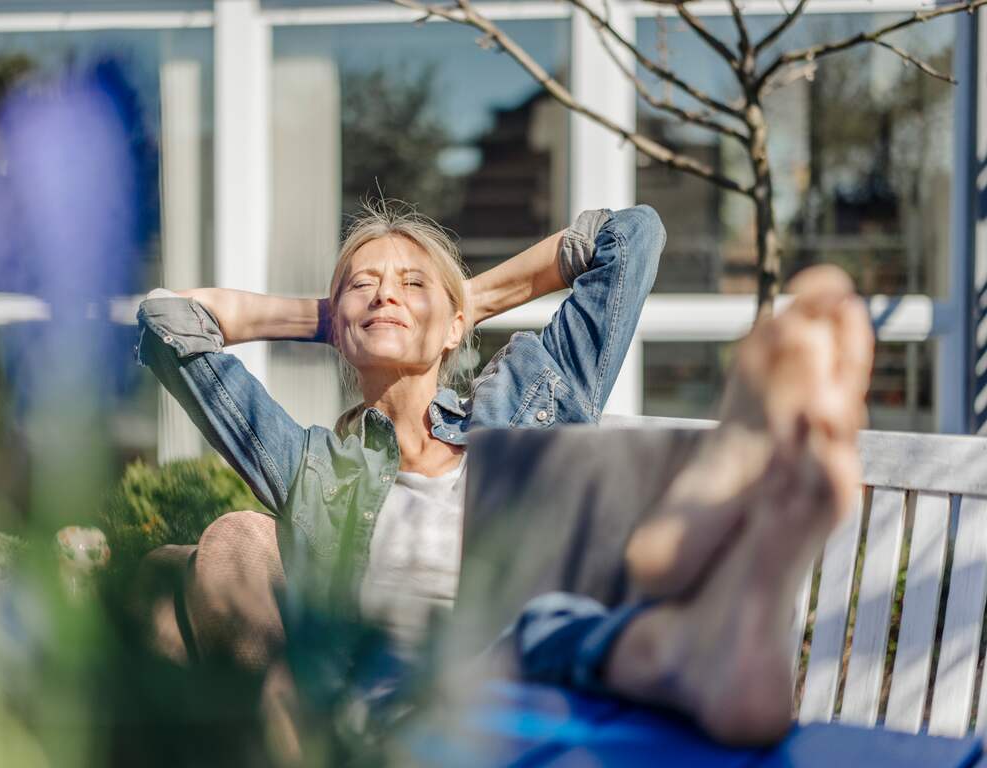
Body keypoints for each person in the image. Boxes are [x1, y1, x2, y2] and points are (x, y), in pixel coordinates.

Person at [135, 201, 872, 755]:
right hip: (386, 707)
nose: (385, 293)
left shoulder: (527, 400)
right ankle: (692, 605)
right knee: (230, 544)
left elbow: (632, 236)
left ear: (458, 327)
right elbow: (169, 322)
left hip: (532, 678)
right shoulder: (309, 461)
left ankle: (706, 624)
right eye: (363, 286)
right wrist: (340, 316)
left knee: (545, 621)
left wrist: (467, 301)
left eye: (411, 283)